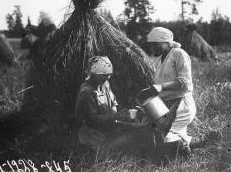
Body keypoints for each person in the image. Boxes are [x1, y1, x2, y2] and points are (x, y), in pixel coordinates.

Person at [75, 56, 156, 160]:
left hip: (108, 127)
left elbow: (113, 102)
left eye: (109, 75)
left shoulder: (105, 84)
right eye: (104, 76)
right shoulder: (87, 92)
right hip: (93, 133)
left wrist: (118, 114)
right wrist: (115, 116)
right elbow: (92, 119)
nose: (107, 78)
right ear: (94, 74)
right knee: (124, 143)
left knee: (137, 133)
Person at [146, 26, 200, 154]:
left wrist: (161, 87)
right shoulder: (159, 60)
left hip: (182, 104)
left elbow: (185, 82)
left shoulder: (178, 54)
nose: (152, 48)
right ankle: (200, 142)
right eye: (151, 45)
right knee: (165, 134)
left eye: (155, 45)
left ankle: (184, 153)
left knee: (165, 136)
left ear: (166, 42)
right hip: (168, 106)